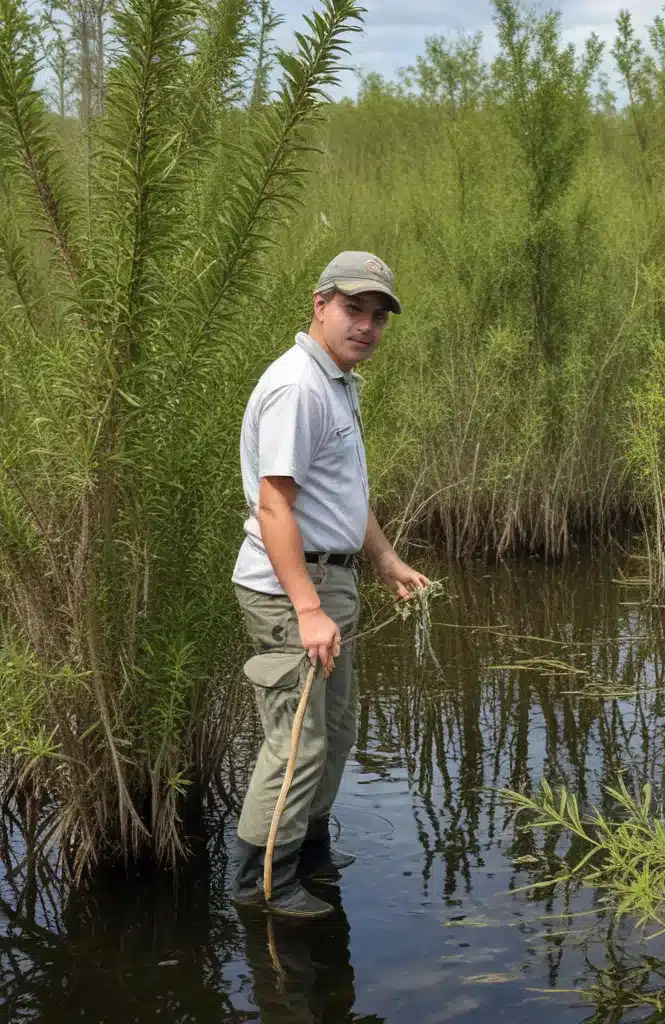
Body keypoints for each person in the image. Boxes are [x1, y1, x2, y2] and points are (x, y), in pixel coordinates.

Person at [228, 250, 430, 918]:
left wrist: (385, 560)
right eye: (353, 309)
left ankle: (307, 849)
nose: (366, 325)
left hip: (326, 581)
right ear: (319, 304)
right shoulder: (298, 387)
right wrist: (308, 607)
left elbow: (343, 494)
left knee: (335, 731)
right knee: (297, 741)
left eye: (377, 315)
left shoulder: (336, 382)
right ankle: (259, 883)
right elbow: (275, 506)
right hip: (293, 590)